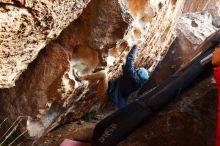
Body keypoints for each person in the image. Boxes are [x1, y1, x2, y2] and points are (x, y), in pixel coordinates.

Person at [79, 43, 149, 108]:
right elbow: (127, 79)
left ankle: (81, 77)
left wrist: (136, 45)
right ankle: (83, 99)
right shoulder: (137, 84)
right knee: (97, 90)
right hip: (109, 99)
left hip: (105, 95)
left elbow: (130, 59)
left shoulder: (131, 76)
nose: (136, 69)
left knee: (103, 74)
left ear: (138, 73)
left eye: (138, 70)